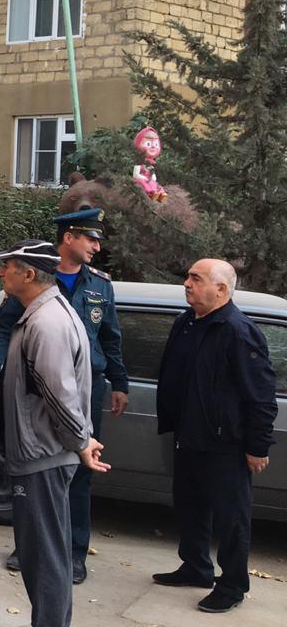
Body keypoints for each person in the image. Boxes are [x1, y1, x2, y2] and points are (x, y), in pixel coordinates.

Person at [0, 207, 127, 583]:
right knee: (29, 467)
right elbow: (2, 331)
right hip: (31, 391)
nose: (97, 246)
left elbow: (111, 337)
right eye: (91, 238)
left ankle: (73, 552)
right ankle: (28, 544)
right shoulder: (29, 281)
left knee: (77, 470)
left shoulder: (100, 285)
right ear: (69, 238)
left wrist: (120, 382)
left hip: (83, 388)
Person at [152, 259, 277, 614]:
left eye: (196, 278)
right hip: (188, 435)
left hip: (226, 444)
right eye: (188, 277)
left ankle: (233, 585)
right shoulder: (186, 322)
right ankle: (196, 567)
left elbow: (261, 395)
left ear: (221, 289)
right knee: (189, 507)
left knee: (230, 519)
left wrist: (257, 446)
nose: (187, 283)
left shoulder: (238, 331)